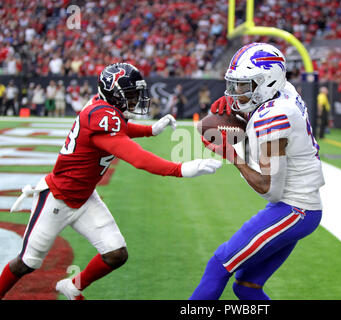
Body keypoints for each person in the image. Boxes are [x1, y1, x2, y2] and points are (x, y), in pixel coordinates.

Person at [0, 63, 222, 300]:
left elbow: (120, 126)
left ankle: (73, 286)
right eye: (131, 94)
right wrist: (180, 169)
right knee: (27, 263)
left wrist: (150, 131)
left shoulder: (102, 108)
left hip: (85, 197)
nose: (136, 99)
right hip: (58, 197)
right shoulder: (100, 118)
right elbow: (136, 157)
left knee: (116, 254)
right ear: (115, 93)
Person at [190, 43, 324, 300]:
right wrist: (242, 108)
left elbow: (268, 187)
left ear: (268, 82)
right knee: (246, 286)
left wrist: (232, 155)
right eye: (235, 84)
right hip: (302, 204)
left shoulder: (275, 115)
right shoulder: (285, 90)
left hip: (295, 207)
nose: (235, 92)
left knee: (219, 265)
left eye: (244, 85)